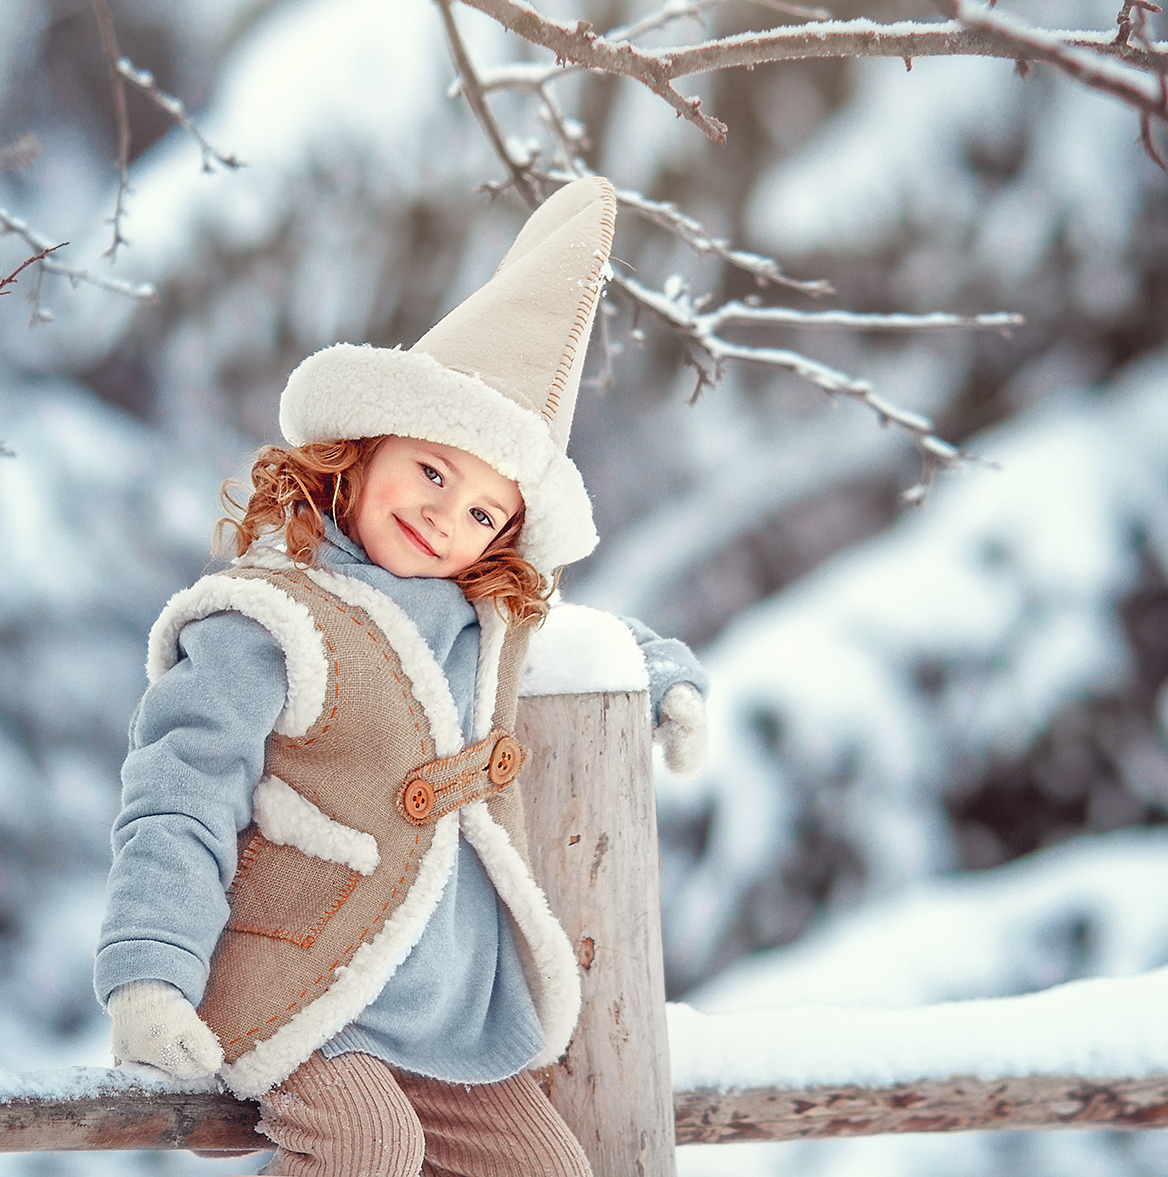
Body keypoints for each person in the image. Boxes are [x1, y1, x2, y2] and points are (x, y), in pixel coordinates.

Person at [94, 176, 708, 1177]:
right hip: (298, 975)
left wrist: (668, 680)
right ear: (368, 444)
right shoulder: (271, 613)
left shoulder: (480, 616)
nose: (443, 517)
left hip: (438, 1007)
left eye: (480, 513)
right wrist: (148, 975)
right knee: (366, 1145)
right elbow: (178, 789)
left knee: (546, 1168)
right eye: (431, 471)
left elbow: (590, 633)